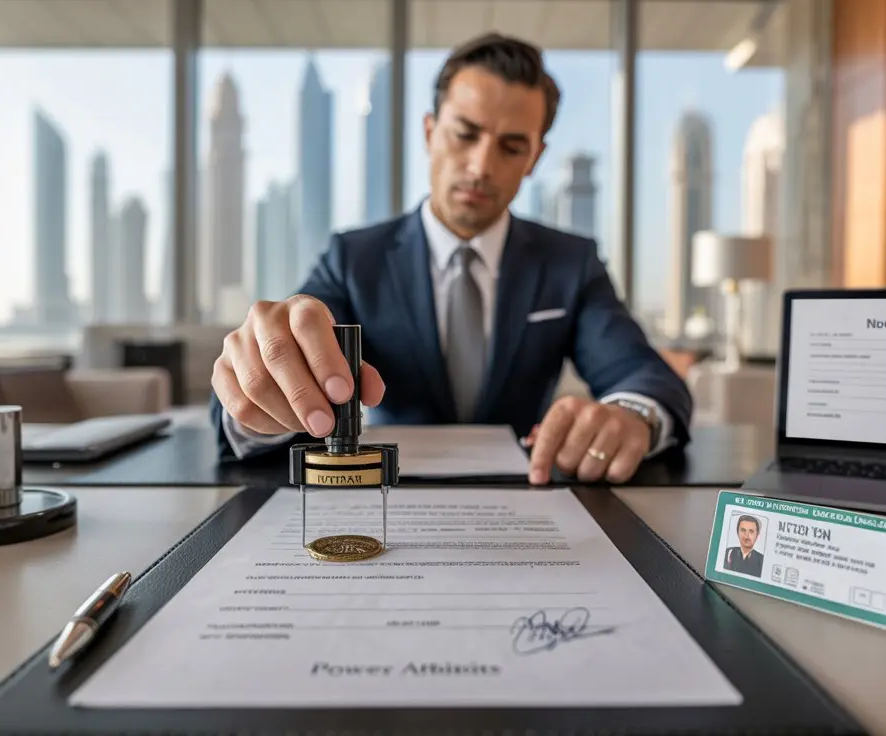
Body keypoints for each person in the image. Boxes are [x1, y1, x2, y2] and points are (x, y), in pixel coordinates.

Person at [209, 32, 692, 485]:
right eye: (464, 134)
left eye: (511, 147)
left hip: (527, 492)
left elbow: (641, 373)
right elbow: (295, 347)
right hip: (386, 490)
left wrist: (632, 416)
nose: (481, 166)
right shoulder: (354, 259)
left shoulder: (571, 262)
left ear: (534, 158)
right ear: (429, 132)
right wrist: (265, 383)